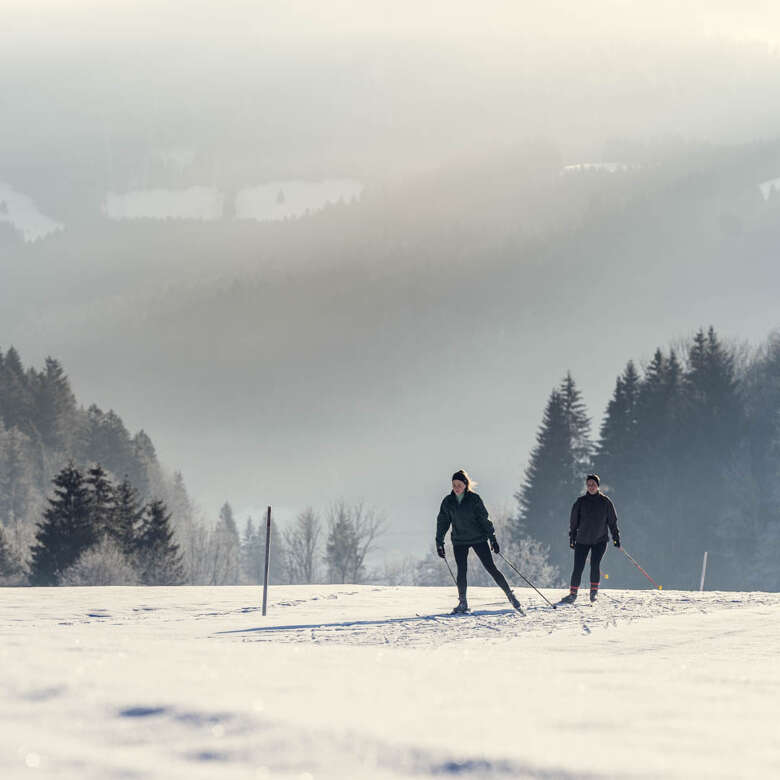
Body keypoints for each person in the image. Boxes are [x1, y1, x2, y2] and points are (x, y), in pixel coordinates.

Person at [435, 469, 523, 614]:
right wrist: (439, 542)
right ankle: (463, 602)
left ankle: (510, 596)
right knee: (461, 571)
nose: (456, 488)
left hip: (478, 538)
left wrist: (492, 539)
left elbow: (484, 520)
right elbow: (442, 522)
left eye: (459, 485)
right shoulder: (448, 502)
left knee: (490, 567)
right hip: (459, 541)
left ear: (465, 484)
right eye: (454, 485)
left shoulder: (474, 499)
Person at [559, 474, 620, 604]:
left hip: (600, 540)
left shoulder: (605, 502)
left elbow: (612, 522)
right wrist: (572, 537)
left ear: (598, 486)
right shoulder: (580, 502)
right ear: (587, 486)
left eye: (593, 484)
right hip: (582, 540)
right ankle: (572, 594)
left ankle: (593, 592)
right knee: (578, 567)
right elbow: (574, 522)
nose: (591, 487)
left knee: (595, 564)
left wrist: (616, 537)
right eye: (589, 485)